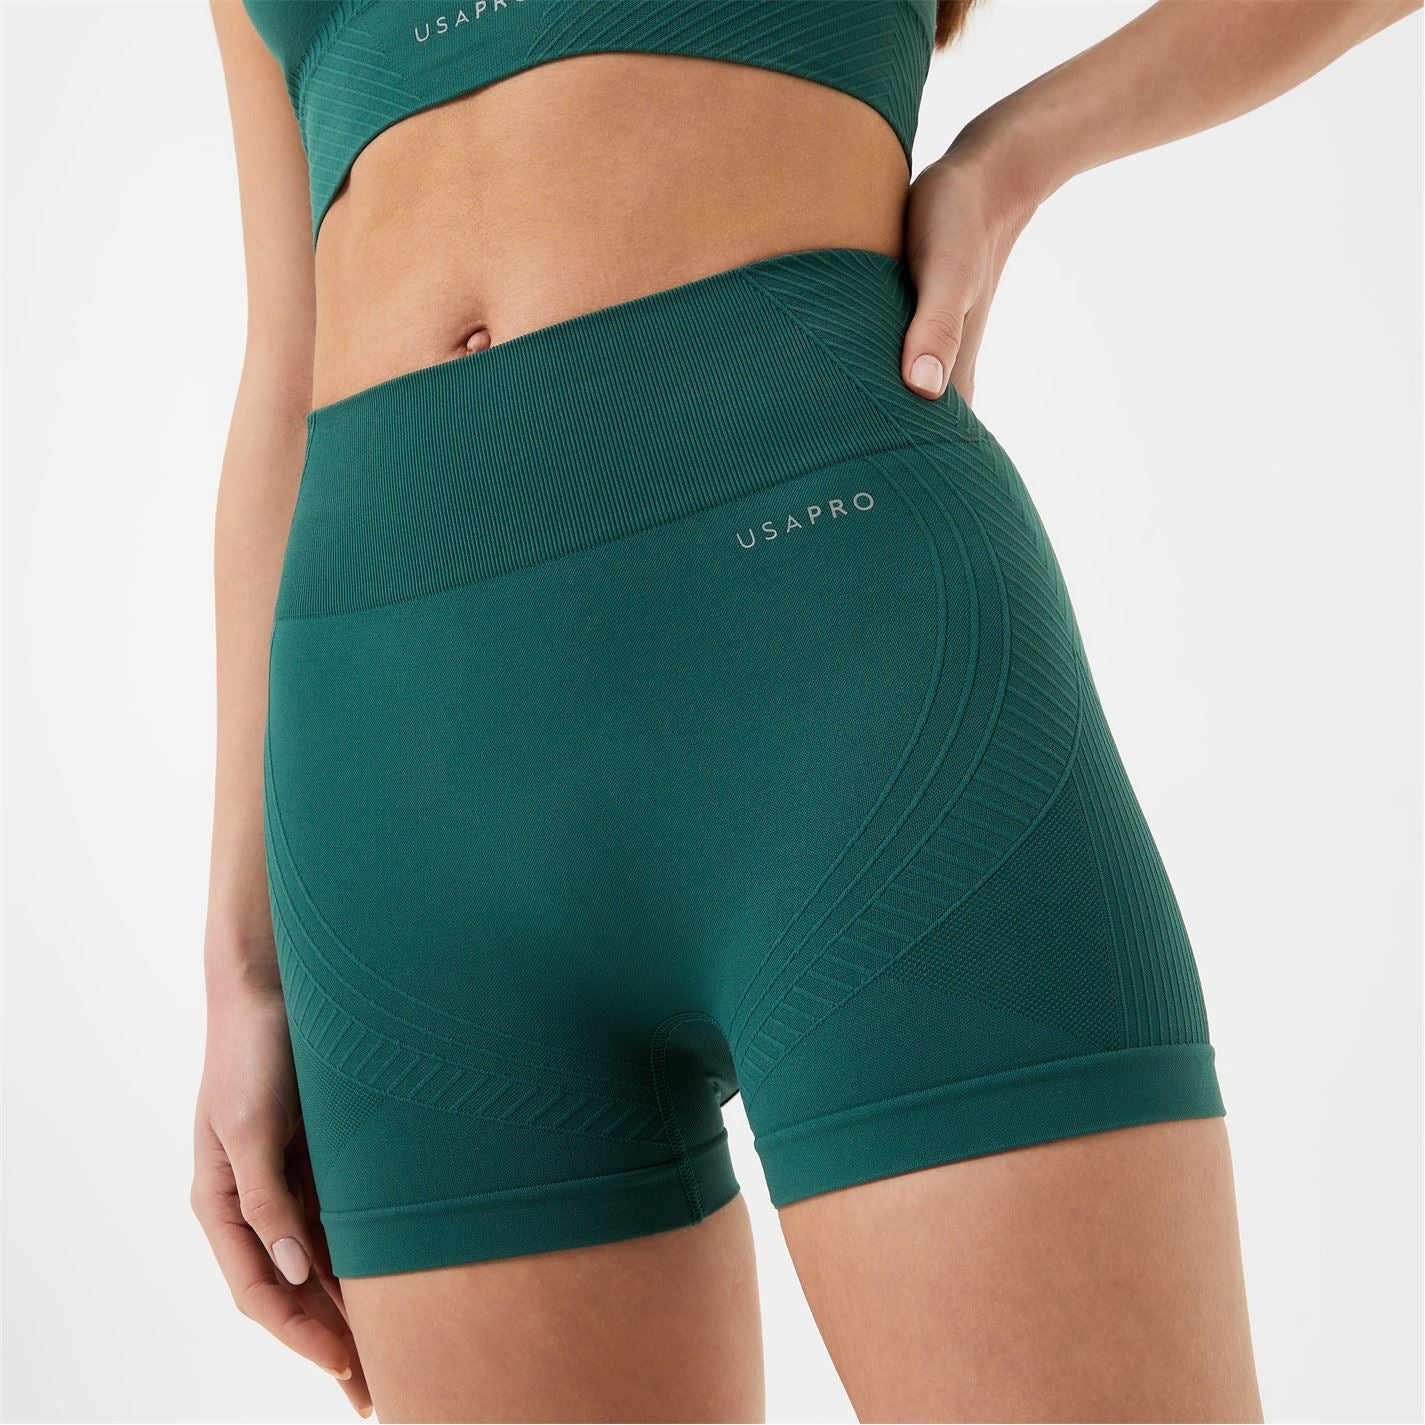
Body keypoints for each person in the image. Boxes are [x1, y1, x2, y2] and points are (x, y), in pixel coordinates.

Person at [195, 2, 1416, 1419]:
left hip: (841, 692)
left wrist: (1012, 156)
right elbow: (282, 370)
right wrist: (242, 966)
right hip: (394, 787)